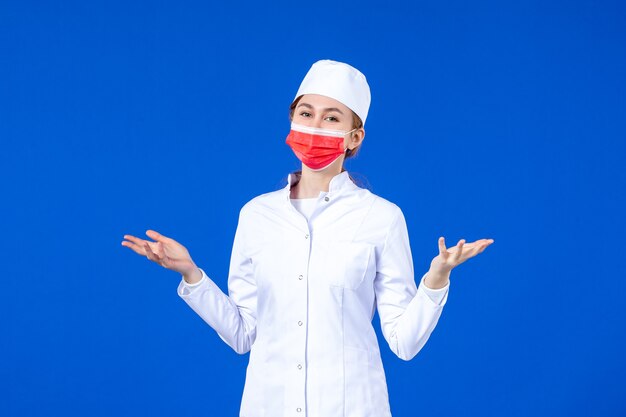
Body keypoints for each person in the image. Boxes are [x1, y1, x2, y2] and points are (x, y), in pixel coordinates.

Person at [122, 59, 494, 417]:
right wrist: (191, 273)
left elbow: (404, 342)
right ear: (291, 120)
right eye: (306, 113)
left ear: (353, 137)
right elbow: (242, 335)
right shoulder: (256, 215)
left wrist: (436, 280)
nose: (315, 125)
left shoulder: (381, 217)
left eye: (331, 117)